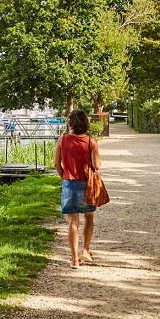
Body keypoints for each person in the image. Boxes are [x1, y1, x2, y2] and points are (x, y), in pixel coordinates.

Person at [54, 109, 101, 269]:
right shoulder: (90, 142)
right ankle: (85, 250)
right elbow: (97, 165)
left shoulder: (62, 139)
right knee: (89, 217)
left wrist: (65, 177)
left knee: (73, 222)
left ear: (70, 123)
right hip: (87, 184)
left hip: (69, 182)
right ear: (86, 124)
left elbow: (56, 164)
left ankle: (74, 259)